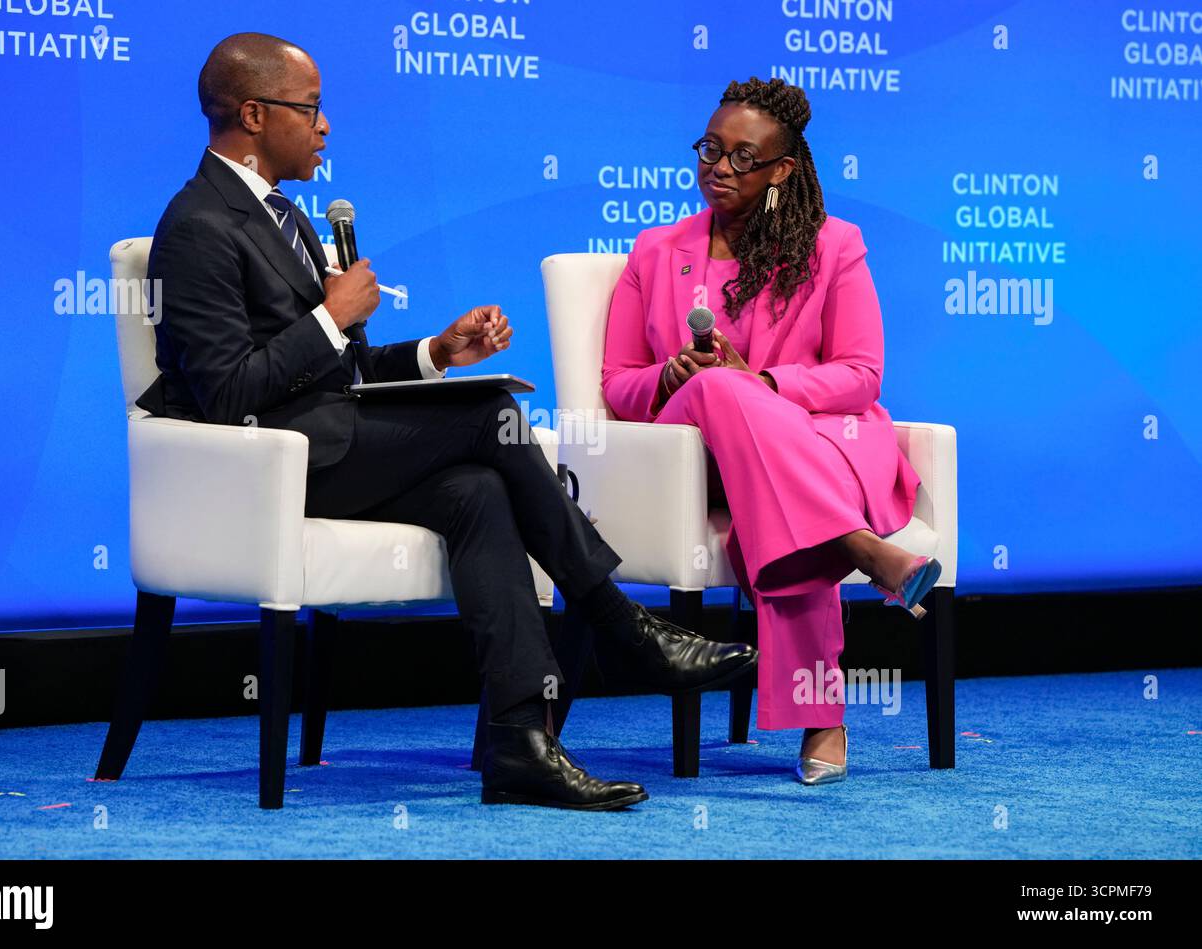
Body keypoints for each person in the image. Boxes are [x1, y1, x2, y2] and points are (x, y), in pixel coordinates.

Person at [134, 32, 758, 810]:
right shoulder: (197, 224)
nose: (326, 127)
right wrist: (329, 317)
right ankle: (619, 621)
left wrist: (436, 351)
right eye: (312, 109)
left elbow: (346, 370)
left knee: (477, 492)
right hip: (264, 470)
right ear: (255, 115)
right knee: (491, 416)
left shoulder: (285, 218)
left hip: (334, 446)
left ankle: (520, 743)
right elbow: (228, 395)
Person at [600, 77, 940, 786]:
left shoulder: (833, 246)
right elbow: (616, 384)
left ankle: (826, 688)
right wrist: (672, 376)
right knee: (715, 384)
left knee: (767, 464)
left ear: (784, 169)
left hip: (805, 446)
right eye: (711, 150)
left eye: (743, 157)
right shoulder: (656, 252)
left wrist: (768, 386)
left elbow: (860, 372)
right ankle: (859, 570)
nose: (718, 168)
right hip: (688, 460)